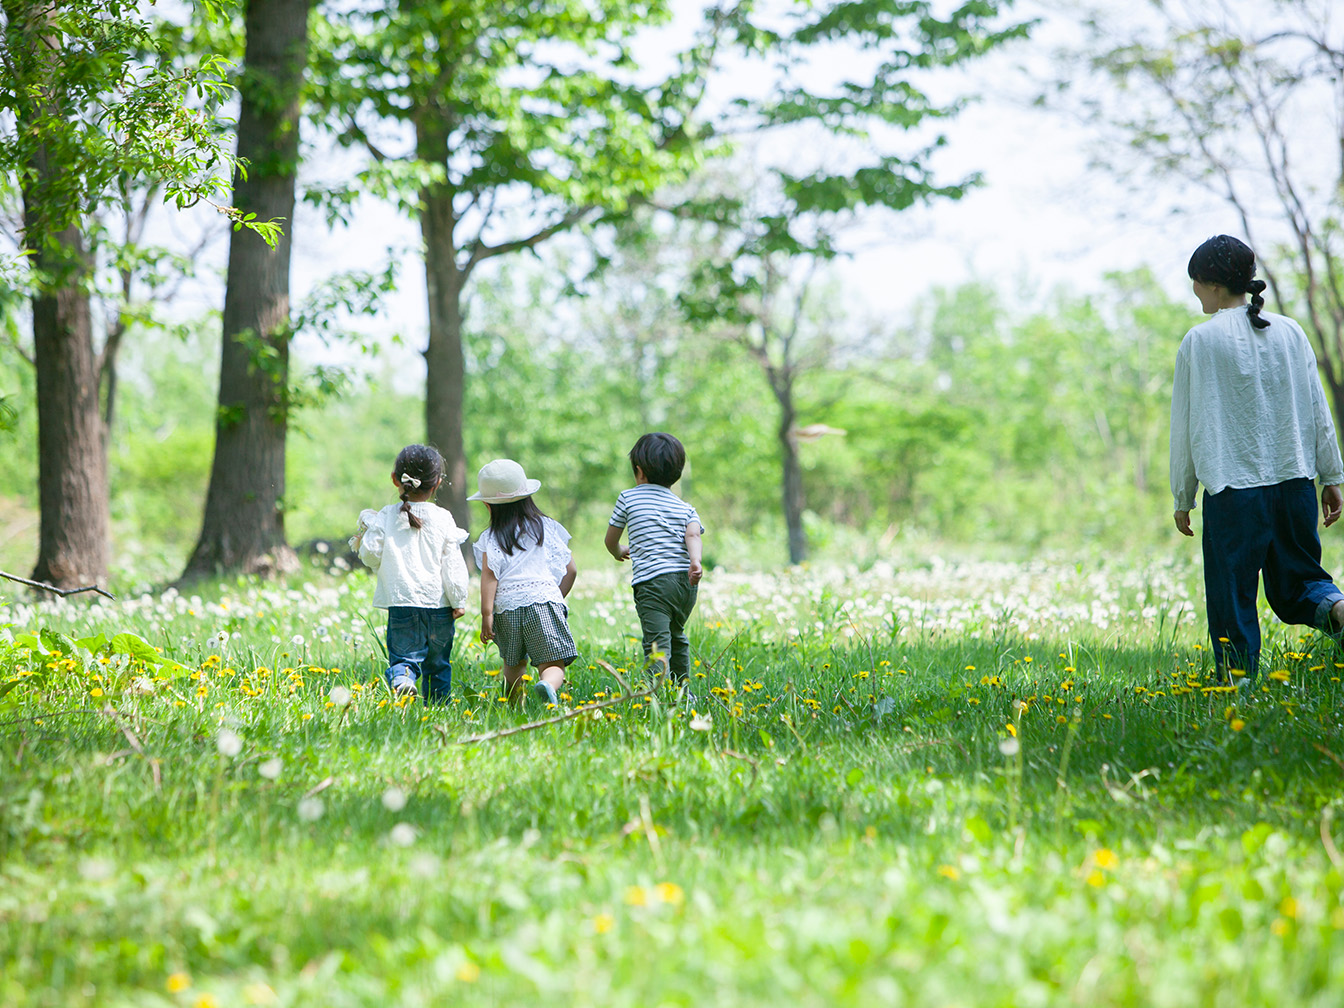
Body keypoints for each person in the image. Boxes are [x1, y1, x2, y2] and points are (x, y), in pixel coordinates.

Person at [1170, 234, 1344, 682]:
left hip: (1233, 491)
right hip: (1295, 484)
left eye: (1194, 281)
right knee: (1300, 584)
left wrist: (1182, 495)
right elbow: (1316, 407)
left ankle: (1238, 687)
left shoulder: (1199, 341)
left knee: (1232, 595)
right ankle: (1339, 611)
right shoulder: (1290, 331)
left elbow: (1186, 425)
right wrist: (1332, 474)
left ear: (1209, 284)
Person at [353, 444, 469, 700]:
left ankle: (404, 677)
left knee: (404, 657)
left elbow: (371, 554)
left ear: (395, 479)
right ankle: (437, 709)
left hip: (402, 603)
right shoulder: (443, 517)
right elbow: (453, 563)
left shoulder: (385, 516)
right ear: (437, 483)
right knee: (438, 664)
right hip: (438, 605)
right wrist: (458, 599)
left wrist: (365, 535)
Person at [468, 459, 578, 707]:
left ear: (488, 506)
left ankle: (513, 704)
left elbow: (489, 577)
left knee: (514, 662)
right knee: (552, 663)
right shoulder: (547, 527)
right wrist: (555, 598)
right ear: (528, 497)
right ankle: (547, 684)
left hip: (508, 607)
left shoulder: (490, 537)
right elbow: (571, 570)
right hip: (545, 600)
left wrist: (487, 615)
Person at [604, 432, 704, 686]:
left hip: (653, 583)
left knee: (657, 642)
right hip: (685, 583)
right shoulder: (685, 507)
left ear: (639, 472)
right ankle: (683, 689)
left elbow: (611, 539)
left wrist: (618, 551)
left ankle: (651, 694)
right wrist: (696, 561)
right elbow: (692, 533)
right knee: (677, 635)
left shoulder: (629, 498)